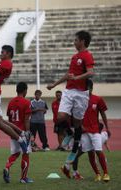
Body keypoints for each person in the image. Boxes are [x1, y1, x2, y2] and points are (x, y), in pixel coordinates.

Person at [47, 30, 95, 163]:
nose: (74, 42)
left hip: (81, 93)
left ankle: (74, 150)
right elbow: (69, 75)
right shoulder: (74, 57)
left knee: (78, 122)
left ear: (82, 41)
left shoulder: (87, 55)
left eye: (75, 40)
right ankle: (69, 133)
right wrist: (54, 85)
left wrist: (78, 78)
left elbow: (91, 73)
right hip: (69, 91)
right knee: (61, 116)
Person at [61, 81, 111, 182]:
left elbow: (103, 114)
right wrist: (78, 126)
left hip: (95, 131)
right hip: (83, 132)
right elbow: (72, 115)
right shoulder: (78, 100)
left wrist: (107, 127)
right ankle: (97, 174)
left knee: (97, 151)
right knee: (89, 153)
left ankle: (106, 173)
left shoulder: (98, 99)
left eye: (85, 88)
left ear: (91, 88)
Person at [3, 82, 33, 184]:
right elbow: (26, 119)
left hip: (12, 132)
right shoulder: (26, 102)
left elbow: (9, 118)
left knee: (15, 153)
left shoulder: (11, 102)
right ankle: (23, 178)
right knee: (26, 153)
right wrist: (28, 132)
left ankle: (7, 167)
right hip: (22, 132)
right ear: (25, 90)